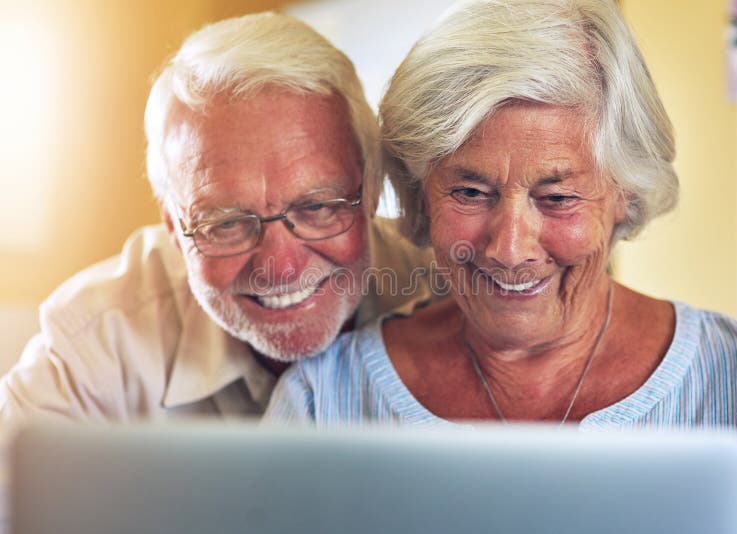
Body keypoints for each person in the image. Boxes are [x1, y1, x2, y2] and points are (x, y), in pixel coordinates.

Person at [265, 0, 737, 531]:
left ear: (625, 194)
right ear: (422, 196)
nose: (510, 248)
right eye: (470, 192)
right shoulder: (322, 403)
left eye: (558, 197)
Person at [0, 11, 433, 423]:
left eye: (316, 207)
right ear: (174, 227)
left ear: (372, 191)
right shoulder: (98, 339)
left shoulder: (443, 292)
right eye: (226, 223)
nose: (280, 267)